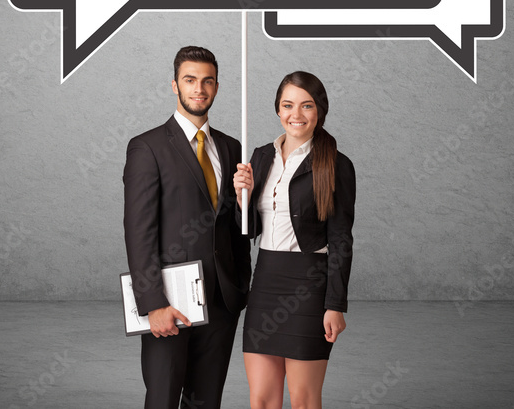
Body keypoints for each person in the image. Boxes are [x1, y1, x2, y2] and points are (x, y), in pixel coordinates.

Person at [123, 46, 251, 409]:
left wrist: (241, 286)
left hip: (221, 302)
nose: (200, 89)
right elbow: (138, 230)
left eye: (207, 81)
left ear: (217, 86)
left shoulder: (230, 147)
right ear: (174, 86)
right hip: (170, 302)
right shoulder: (146, 148)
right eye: (190, 80)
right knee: (163, 399)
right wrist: (152, 304)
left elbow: (235, 226)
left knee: (206, 402)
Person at [233, 71, 356, 409]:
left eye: (307, 106)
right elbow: (250, 229)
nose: (296, 115)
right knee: (261, 400)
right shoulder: (259, 157)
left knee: (303, 400)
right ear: (277, 109)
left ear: (320, 112)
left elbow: (342, 240)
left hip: (309, 286)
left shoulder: (335, 164)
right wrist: (242, 200)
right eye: (288, 105)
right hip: (266, 280)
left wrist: (335, 304)